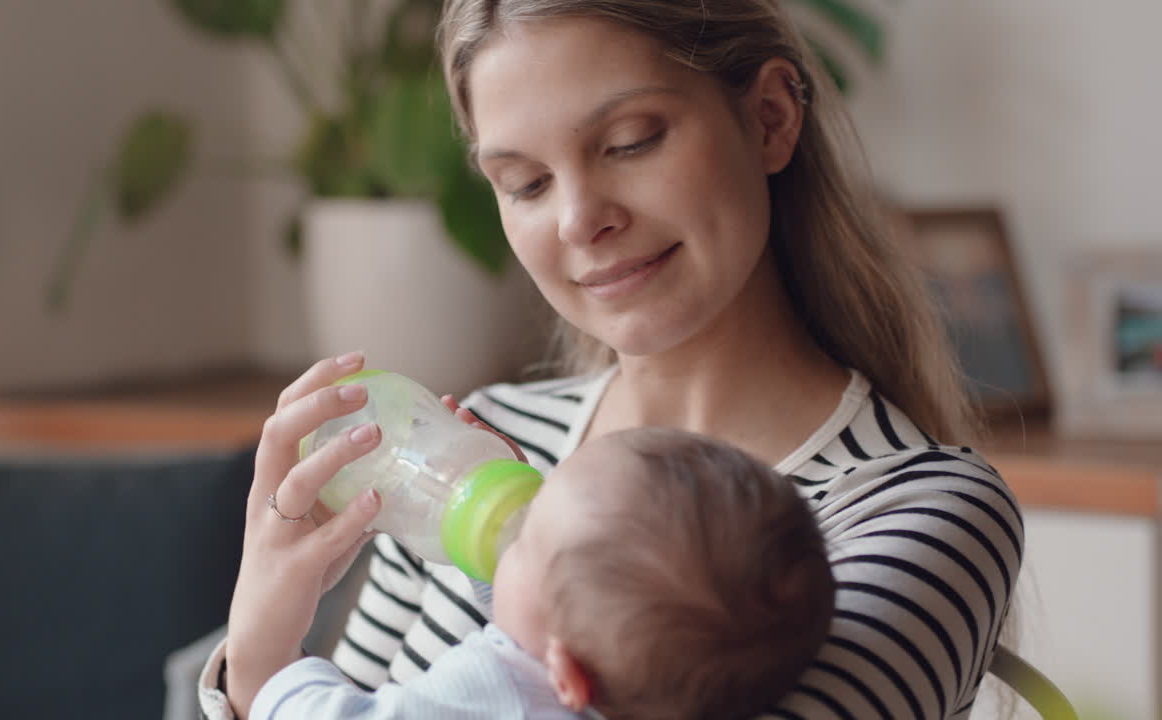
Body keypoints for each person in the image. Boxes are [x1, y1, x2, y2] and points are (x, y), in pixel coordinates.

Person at [200, 1, 1025, 718]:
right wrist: (253, 650)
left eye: (631, 142)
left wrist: (269, 669)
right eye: (525, 184)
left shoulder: (913, 508)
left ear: (770, 116)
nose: (579, 220)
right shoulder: (480, 444)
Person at [244, 427, 834, 720]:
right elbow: (528, 610)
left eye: (527, 539)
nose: (515, 528)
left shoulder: (497, 693)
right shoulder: (608, 685)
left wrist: (264, 657)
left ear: (568, 676)